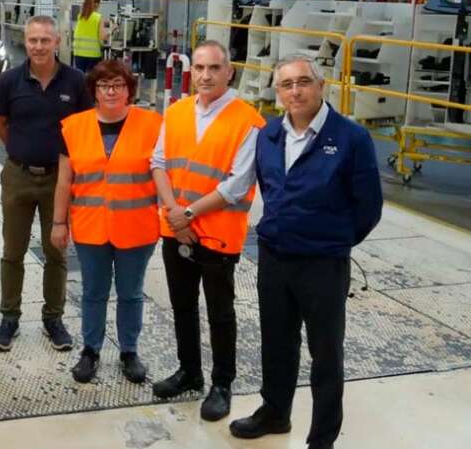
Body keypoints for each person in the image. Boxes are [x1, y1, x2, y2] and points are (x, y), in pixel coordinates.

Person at [230, 55, 382, 449]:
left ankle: (322, 437)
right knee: (276, 342)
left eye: (303, 82)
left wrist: (333, 240)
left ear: (321, 86)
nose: (295, 91)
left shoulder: (350, 138)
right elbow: (268, 188)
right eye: (286, 85)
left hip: (323, 263)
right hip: (276, 257)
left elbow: (368, 207)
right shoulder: (268, 135)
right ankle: (275, 412)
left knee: (325, 352)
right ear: (277, 92)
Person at [150, 40, 265, 421]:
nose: (205, 75)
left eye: (214, 68)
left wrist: (186, 214)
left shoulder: (247, 120)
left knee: (220, 312)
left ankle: (222, 383)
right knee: (182, 306)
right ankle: (189, 372)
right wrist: (173, 216)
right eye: (198, 68)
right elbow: (159, 163)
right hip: (176, 231)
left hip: (216, 234)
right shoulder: (178, 110)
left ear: (229, 71)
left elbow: (237, 183)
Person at [51, 59, 161, 383]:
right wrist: (59, 223)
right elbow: (63, 180)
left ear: (129, 90)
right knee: (93, 292)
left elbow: (165, 174)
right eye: (104, 85)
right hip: (90, 228)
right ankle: (90, 350)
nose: (111, 91)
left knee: (131, 293)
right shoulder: (73, 126)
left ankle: (129, 351)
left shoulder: (154, 125)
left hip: (137, 228)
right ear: (94, 91)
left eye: (118, 85)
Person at [0, 15, 92, 352]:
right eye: (32, 40)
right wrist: (21, 148)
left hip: (59, 180)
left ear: (57, 42)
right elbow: (0, 122)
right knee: (12, 251)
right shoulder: (9, 81)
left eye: (44, 40)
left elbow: (85, 129)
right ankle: (9, 317)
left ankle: (53, 317)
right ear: (26, 41)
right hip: (18, 176)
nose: (37, 46)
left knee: (56, 252)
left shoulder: (76, 82)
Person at [71, 0, 109, 73]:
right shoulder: (98, 17)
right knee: (92, 79)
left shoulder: (80, 16)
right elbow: (103, 37)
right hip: (93, 53)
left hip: (78, 52)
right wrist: (111, 31)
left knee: (80, 78)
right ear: (96, 5)